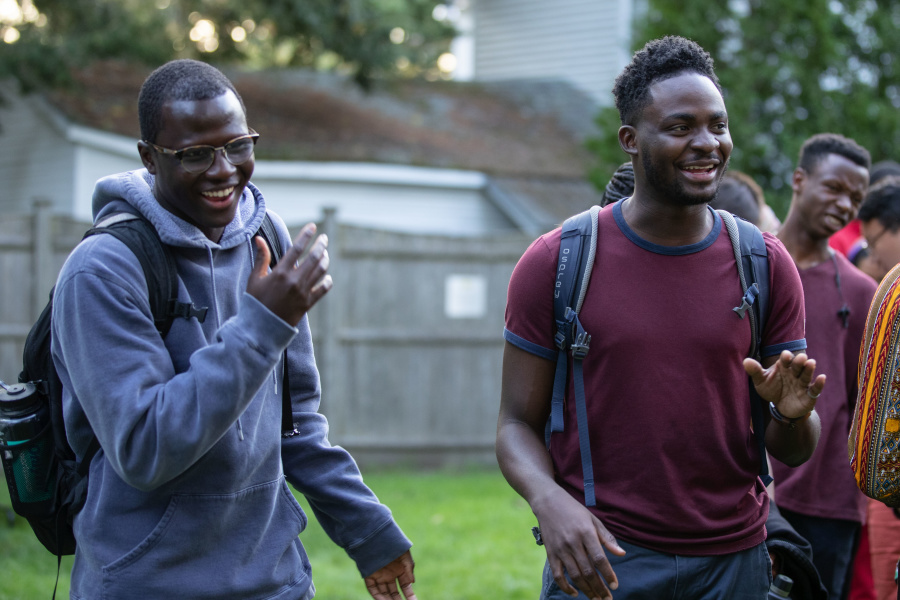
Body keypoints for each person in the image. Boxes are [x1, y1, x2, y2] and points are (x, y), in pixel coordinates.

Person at [50, 59, 416, 600]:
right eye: (195, 154)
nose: (224, 170)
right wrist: (262, 326)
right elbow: (145, 450)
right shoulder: (102, 269)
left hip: (275, 581)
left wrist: (366, 528)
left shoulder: (264, 238)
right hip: (147, 583)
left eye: (239, 145)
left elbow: (295, 422)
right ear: (150, 158)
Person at [496, 35, 824, 600]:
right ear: (630, 140)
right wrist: (550, 502)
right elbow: (514, 425)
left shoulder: (764, 263)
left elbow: (793, 447)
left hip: (735, 563)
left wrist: (791, 416)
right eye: (680, 128)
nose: (707, 144)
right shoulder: (557, 260)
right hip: (603, 560)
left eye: (717, 126)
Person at [769, 133, 876, 600]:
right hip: (748, 491)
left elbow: (863, 402)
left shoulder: (859, 292)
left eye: (856, 196)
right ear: (799, 180)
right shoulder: (751, 264)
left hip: (828, 502)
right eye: (834, 187)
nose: (845, 203)